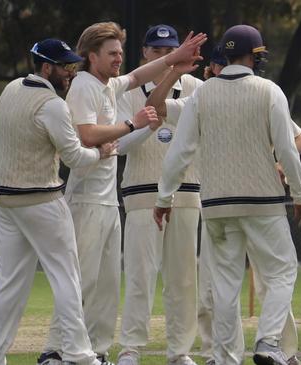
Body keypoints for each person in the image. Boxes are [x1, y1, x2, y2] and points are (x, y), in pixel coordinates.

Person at [41, 22, 206, 365]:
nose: (119, 59)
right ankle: (55, 350)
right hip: (89, 197)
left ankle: (97, 351)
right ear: (92, 56)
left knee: (105, 283)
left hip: (108, 199)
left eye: (120, 52)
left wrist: (174, 60)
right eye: (112, 53)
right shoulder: (84, 86)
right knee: (83, 280)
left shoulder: (107, 85)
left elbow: (134, 78)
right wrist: (135, 124)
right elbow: (89, 135)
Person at [154, 24, 301, 365]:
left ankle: (227, 357)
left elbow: (179, 152)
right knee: (283, 272)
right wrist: (300, 197)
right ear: (255, 56)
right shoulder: (269, 91)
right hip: (263, 204)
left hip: (216, 206)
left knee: (224, 285)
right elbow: (287, 149)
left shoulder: (202, 95)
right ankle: (268, 342)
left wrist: (164, 198)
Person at [0, 38, 111, 365]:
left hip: (6, 200)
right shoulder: (52, 105)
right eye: (65, 67)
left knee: (6, 281)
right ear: (46, 67)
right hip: (42, 200)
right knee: (67, 276)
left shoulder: (9, 90)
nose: (70, 73)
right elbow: (76, 157)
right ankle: (80, 355)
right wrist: (101, 152)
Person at [114, 24, 204, 365]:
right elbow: (119, 146)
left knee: (182, 279)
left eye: (170, 50)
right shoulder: (127, 91)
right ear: (145, 54)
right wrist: (144, 126)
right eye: (158, 51)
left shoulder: (197, 87)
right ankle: (131, 348)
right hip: (140, 192)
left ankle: (179, 351)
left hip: (186, 191)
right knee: (140, 275)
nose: (166, 57)